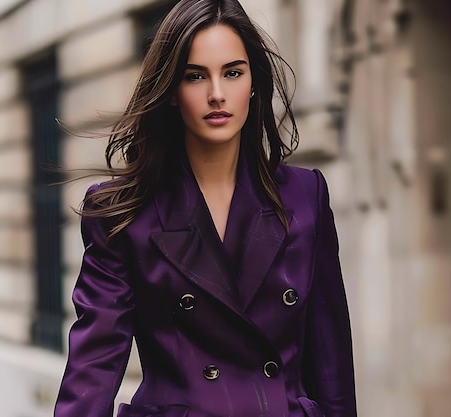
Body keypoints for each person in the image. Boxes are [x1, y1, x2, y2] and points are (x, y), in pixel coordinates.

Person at [54, 0, 356, 416]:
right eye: (195, 76)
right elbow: (93, 367)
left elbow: (332, 367)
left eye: (232, 72)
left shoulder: (306, 195)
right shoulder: (123, 213)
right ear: (172, 92)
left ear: (253, 82)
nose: (217, 94)